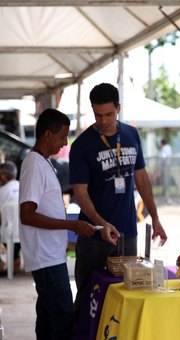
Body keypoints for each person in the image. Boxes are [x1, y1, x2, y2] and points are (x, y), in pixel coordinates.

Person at [19, 108, 119, 340]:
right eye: (62, 136)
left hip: (50, 255)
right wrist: (71, 226)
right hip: (46, 259)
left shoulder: (43, 162)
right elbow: (27, 214)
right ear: (47, 135)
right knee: (64, 321)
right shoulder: (34, 165)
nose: (65, 143)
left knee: (46, 320)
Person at [69, 82, 168, 314]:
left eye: (109, 114)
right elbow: (80, 193)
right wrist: (101, 224)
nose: (103, 121)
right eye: (98, 115)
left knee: (127, 295)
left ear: (119, 108)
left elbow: (142, 179)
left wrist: (156, 218)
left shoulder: (131, 135)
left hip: (127, 234)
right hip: (93, 234)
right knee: (87, 298)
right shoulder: (83, 145)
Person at [0, 161, 21, 272]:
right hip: (27, 231)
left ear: (3, 176)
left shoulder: (1, 191)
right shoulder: (24, 187)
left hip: (9, 233)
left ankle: (8, 263)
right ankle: (14, 262)